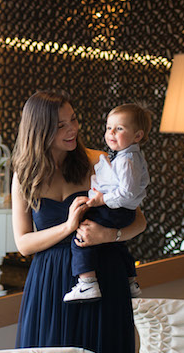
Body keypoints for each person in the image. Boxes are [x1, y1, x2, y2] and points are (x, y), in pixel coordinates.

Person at [12, 89, 145, 353]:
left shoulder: (98, 161)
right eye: (61, 125)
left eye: (72, 120)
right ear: (40, 131)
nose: (72, 129)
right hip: (50, 287)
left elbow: (138, 221)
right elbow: (24, 243)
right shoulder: (24, 175)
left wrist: (108, 235)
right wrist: (68, 226)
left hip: (102, 277)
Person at [63, 103, 152, 303]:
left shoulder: (126, 160)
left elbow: (127, 192)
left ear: (137, 136)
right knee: (118, 246)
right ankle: (131, 280)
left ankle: (87, 283)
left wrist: (101, 199)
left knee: (82, 236)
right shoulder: (126, 156)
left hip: (117, 209)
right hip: (121, 210)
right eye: (109, 127)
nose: (111, 133)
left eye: (119, 128)